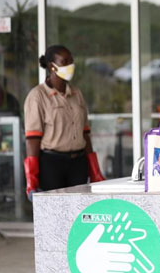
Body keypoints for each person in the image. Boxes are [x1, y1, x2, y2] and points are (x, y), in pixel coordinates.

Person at [24, 45, 105, 200]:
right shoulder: (37, 96)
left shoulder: (77, 93)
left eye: (71, 61)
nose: (70, 66)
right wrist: (31, 181)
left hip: (78, 163)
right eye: (65, 61)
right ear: (51, 66)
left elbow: (85, 133)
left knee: (78, 211)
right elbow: (32, 139)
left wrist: (95, 171)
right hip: (52, 164)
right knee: (55, 213)